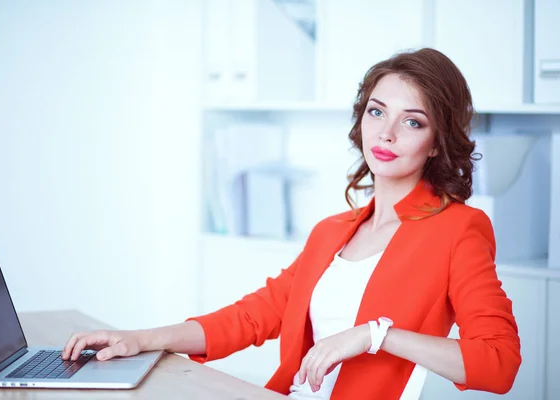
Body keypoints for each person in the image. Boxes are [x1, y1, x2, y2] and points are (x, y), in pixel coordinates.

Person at [61, 48, 521, 399]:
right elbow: (249, 318)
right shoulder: (332, 231)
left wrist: (376, 336)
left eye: (413, 122)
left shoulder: (458, 229)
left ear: (438, 143)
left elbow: (499, 363)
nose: (386, 133)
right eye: (377, 111)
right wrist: (137, 339)